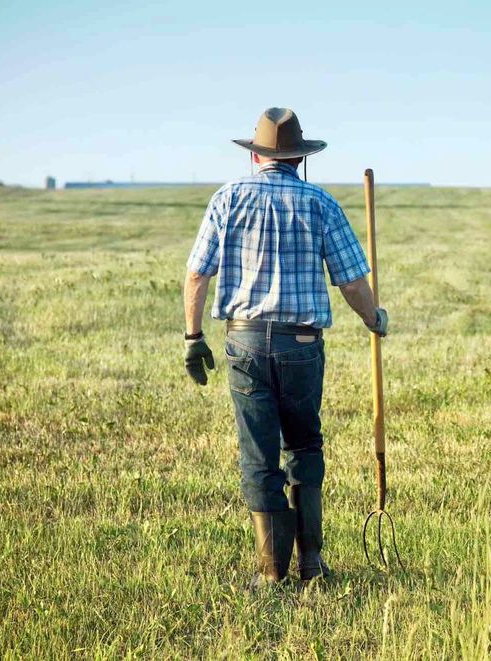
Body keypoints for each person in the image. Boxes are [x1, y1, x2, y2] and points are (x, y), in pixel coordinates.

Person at [182, 107, 389, 586]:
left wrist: (193, 339)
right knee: (304, 445)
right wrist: (373, 318)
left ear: (257, 157)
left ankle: (272, 573)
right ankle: (311, 564)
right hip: (301, 344)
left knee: (259, 456)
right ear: (300, 158)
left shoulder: (227, 198)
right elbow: (352, 281)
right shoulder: (320, 203)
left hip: (245, 343)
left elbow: (197, 273)